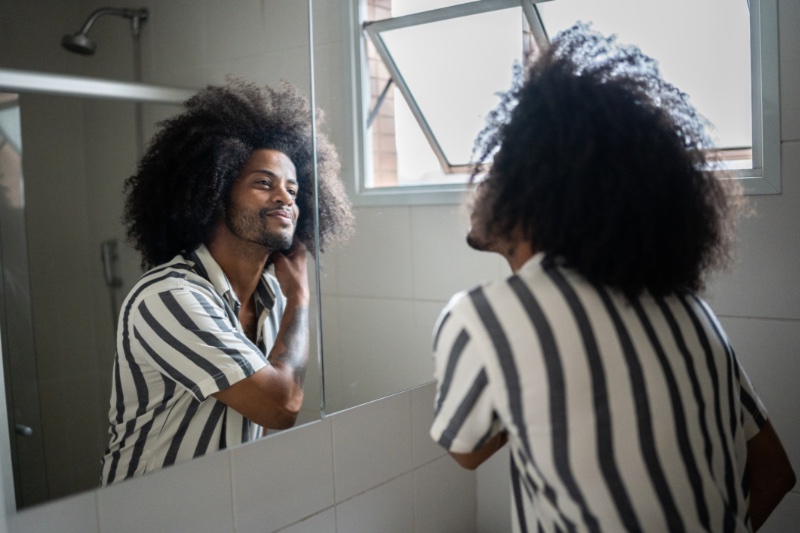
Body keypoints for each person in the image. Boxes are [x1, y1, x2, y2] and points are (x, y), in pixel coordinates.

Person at [429, 23, 795, 532]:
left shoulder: (485, 318)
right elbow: (776, 472)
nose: (482, 176)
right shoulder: (690, 309)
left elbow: (464, 452)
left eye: (501, 162)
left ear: (538, 189)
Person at [101, 79, 353, 485]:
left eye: (293, 188)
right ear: (214, 193)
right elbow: (280, 406)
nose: (286, 198)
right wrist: (301, 296)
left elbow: (258, 427)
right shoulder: (169, 297)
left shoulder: (270, 297)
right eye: (264, 183)